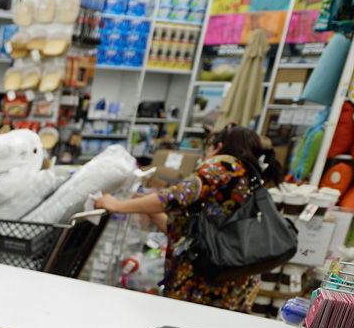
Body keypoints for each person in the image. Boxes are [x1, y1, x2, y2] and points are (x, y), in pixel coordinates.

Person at [93, 125, 281, 313]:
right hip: (232, 280)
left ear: (217, 147)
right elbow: (190, 233)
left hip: (207, 283)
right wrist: (144, 204)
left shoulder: (224, 166)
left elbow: (173, 197)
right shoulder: (247, 177)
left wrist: (117, 205)